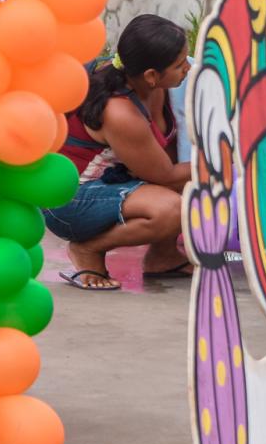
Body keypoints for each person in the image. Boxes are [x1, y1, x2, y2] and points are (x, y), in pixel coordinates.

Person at [44, 14, 195, 291]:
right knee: (173, 209)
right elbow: (165, 175)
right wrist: (226, 164)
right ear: (151, 75)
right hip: (71, 201)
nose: (188, 67)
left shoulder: (158, 85)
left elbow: (168, 154)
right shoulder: (120, 112)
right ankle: (87, 248)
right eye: (179, 64)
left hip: (115, 181)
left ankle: (163, 256)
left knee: (187, 180)